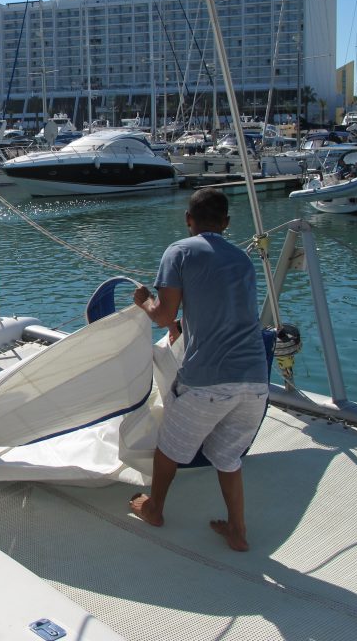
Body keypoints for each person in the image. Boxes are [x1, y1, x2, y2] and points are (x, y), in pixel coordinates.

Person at [129, 188, 268, 551]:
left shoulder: (178, 252)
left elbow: (162, 315)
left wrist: (144, 301)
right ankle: (238, 531)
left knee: (169, 448)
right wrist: (183, 324)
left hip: (206, 381)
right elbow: (223, 310)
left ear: (188, 220)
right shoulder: (241, 259)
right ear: (226, 223)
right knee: (228, 457)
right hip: (254, 381)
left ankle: (154, 508)